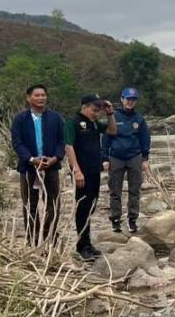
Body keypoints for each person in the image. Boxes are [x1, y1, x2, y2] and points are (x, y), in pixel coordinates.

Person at [11, 83, 66, 246]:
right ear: (28, 98)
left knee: (53, 203)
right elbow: (17, 142)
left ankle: (50, 237)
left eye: (43, 95)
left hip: (51, 167)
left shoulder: (55, 118)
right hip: (29, 168)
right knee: (30, 204)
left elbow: (62, 140)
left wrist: (56, 158)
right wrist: (31, 159)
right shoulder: (20, 119)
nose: (41, 98)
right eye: (37, 95)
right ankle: (32, 238)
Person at [63, 93, 115, 260]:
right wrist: (76, 170)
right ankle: (81, 245)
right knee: (83, 208)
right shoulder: (73, 124)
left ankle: (87, 243)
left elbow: (112, 131)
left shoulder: (94, 124)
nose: (96, 112)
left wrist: (110, 113)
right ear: (84, 106)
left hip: (94, 171)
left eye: (98, 110)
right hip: (81, 173)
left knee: (91, 207)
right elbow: (69, 147)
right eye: (94, 109)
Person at [103, 86, 150, 234]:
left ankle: (132, 220)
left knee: (134, 190)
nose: (130, 102)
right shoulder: (113, 116)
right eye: (128, 99)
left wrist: (145, 158)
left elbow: (145, 139)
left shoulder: (139, 119)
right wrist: (104, 157)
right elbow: (106, 138)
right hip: (116, 157)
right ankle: (116, 220)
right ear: (122, 99)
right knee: (115, 191)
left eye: (133, 99)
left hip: (134, 157)